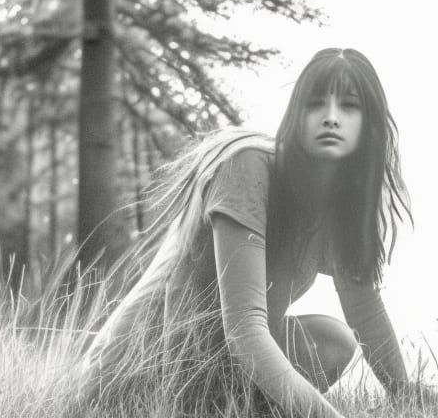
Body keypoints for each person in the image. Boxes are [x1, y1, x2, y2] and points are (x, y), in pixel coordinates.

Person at [77, 48, 419, 417]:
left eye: (349, 106)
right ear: (296, 114)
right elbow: (245, 330)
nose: (331, 117)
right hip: (139, 374)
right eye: (315, 103)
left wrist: (409, 396)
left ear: (370, 126)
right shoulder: (247, 165)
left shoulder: (339, 206)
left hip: (223, 371)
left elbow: (364, 309)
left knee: (333, 341)